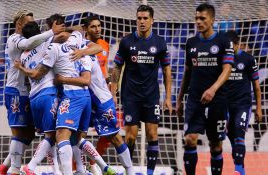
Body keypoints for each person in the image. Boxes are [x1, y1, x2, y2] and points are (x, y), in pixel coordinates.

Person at [14, 27, 116, 175]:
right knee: (73, 138)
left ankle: (36, 168)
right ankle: (96, 168)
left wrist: (20, 68)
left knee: (58, 135)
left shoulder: (43, 50)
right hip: (81, 97)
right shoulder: (79, 46)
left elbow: (36, 74)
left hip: (61, 96)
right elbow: (94, 44)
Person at [0, 9, 65, 175]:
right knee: (19, 131)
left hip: (28, 92)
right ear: (19, 24)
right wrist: (51, 32)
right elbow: (28, 44)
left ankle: (5, 166)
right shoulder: (15, 39)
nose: (32, 26)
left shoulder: (30, 46)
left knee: (29, 133)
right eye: (28, 23)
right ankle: (14, 169)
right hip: (15, 91)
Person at [56, 38, 134, 175]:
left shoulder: (84, 56)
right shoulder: (81, 49)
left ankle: (130, 170)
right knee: (75, 136)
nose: (97, 29)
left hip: (101, 102)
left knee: (115, 138)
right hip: (86, 101)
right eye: (93, 26)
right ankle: (88, 169)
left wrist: (62, 79)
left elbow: (86, 80)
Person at [111, 4, 172, 175]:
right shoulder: (127, 41)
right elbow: (117, 68)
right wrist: (113, 92)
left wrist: (168, 97)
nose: (142, 21)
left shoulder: (160, 42)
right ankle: (130, 171)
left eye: (145, 18)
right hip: (130, 96)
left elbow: (167, 70)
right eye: (139, 18)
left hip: (151, 96)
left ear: (152, 20)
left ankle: (150, 173)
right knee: (130, 136)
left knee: (152, 135)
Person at [176, 3, 234, 175]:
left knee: (215, 144)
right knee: (190, 139)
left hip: (217, 100)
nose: (198, 22)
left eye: (202, 18)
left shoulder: (224, 41)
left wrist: (213, 89)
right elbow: (187, 72)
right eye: (196, 18)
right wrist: (179, 99)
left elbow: (228, 69)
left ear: (213, 20)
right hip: (194, 100)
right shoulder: (191, 43)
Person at [224, 30, 262, 175]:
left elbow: (257, 86)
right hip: (225, 105)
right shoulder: (222, 59)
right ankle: (241, 168)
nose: (229, 50)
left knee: (239, 133)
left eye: (231, 46)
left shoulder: (248, 59)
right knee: (231, 137)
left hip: (242, 105)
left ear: (238, 44)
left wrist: (258, 108)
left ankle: (238, 170)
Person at [81, 15, 111, 174]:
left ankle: (92, 162)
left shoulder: (105, 45)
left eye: (99, 26)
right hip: (84, 93)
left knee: (108, 133)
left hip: (100, 95)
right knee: (79, 134)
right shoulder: (79, 44)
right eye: (93, 26)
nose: (97, 29)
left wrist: (111, 85)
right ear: (86, 29)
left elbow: (104, 69)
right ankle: (77, 168)